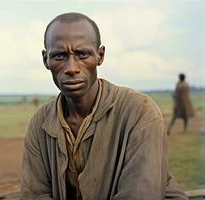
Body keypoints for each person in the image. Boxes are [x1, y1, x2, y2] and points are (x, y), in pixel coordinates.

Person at [20, 12, 188, 200]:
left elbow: (139, 195)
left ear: (100, 56)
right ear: (45, 60)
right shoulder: (40, 123)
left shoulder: (140, 111)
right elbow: (34, 195)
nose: (71, 68)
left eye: (82, 54)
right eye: (60, 56)